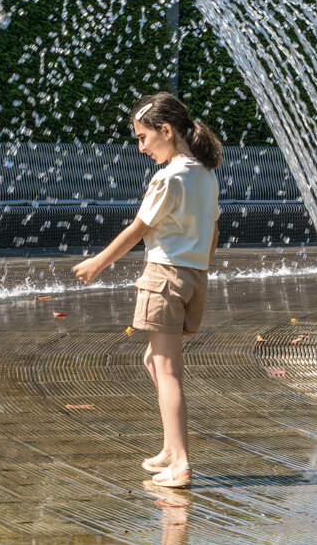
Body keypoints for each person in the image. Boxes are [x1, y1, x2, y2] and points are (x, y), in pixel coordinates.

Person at [72, 92, 221, 489]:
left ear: (166, 131)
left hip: (165, 276)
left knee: (168, 371)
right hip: (194, 277)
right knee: (153, 362)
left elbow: (138, 229)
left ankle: (182, 463)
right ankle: (171, 450)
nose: (141, 147)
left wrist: (98, 263)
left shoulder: (168, 177)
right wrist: (200, 265)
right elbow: (214, 229)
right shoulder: (205, 174)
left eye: (143, 137)